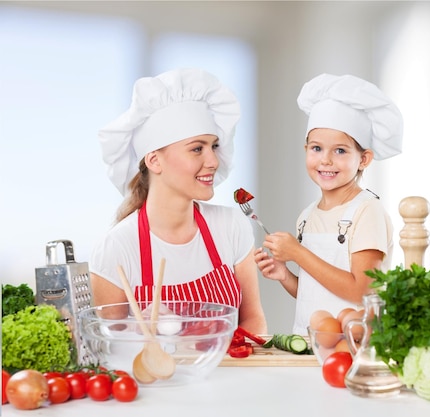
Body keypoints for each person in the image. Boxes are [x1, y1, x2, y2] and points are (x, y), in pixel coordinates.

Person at [90, 68, 267, 334]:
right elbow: (112, 346)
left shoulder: (231, 226)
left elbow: (253, 321)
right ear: (154, 160)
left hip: (232, 374)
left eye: (214, 146)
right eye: (197, 148)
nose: (213, 161)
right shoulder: (117, 248)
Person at [254, 73, 403, 334]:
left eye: (341, 151)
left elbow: (360, 291)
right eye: (317, 148)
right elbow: (314, 293)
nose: (326, 160)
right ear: (306, 150)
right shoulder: (307, 216)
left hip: (351, 348)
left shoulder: (367, 211)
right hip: (310, 345)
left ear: (365, 159)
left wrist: (297, 253)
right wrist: (285, 275)